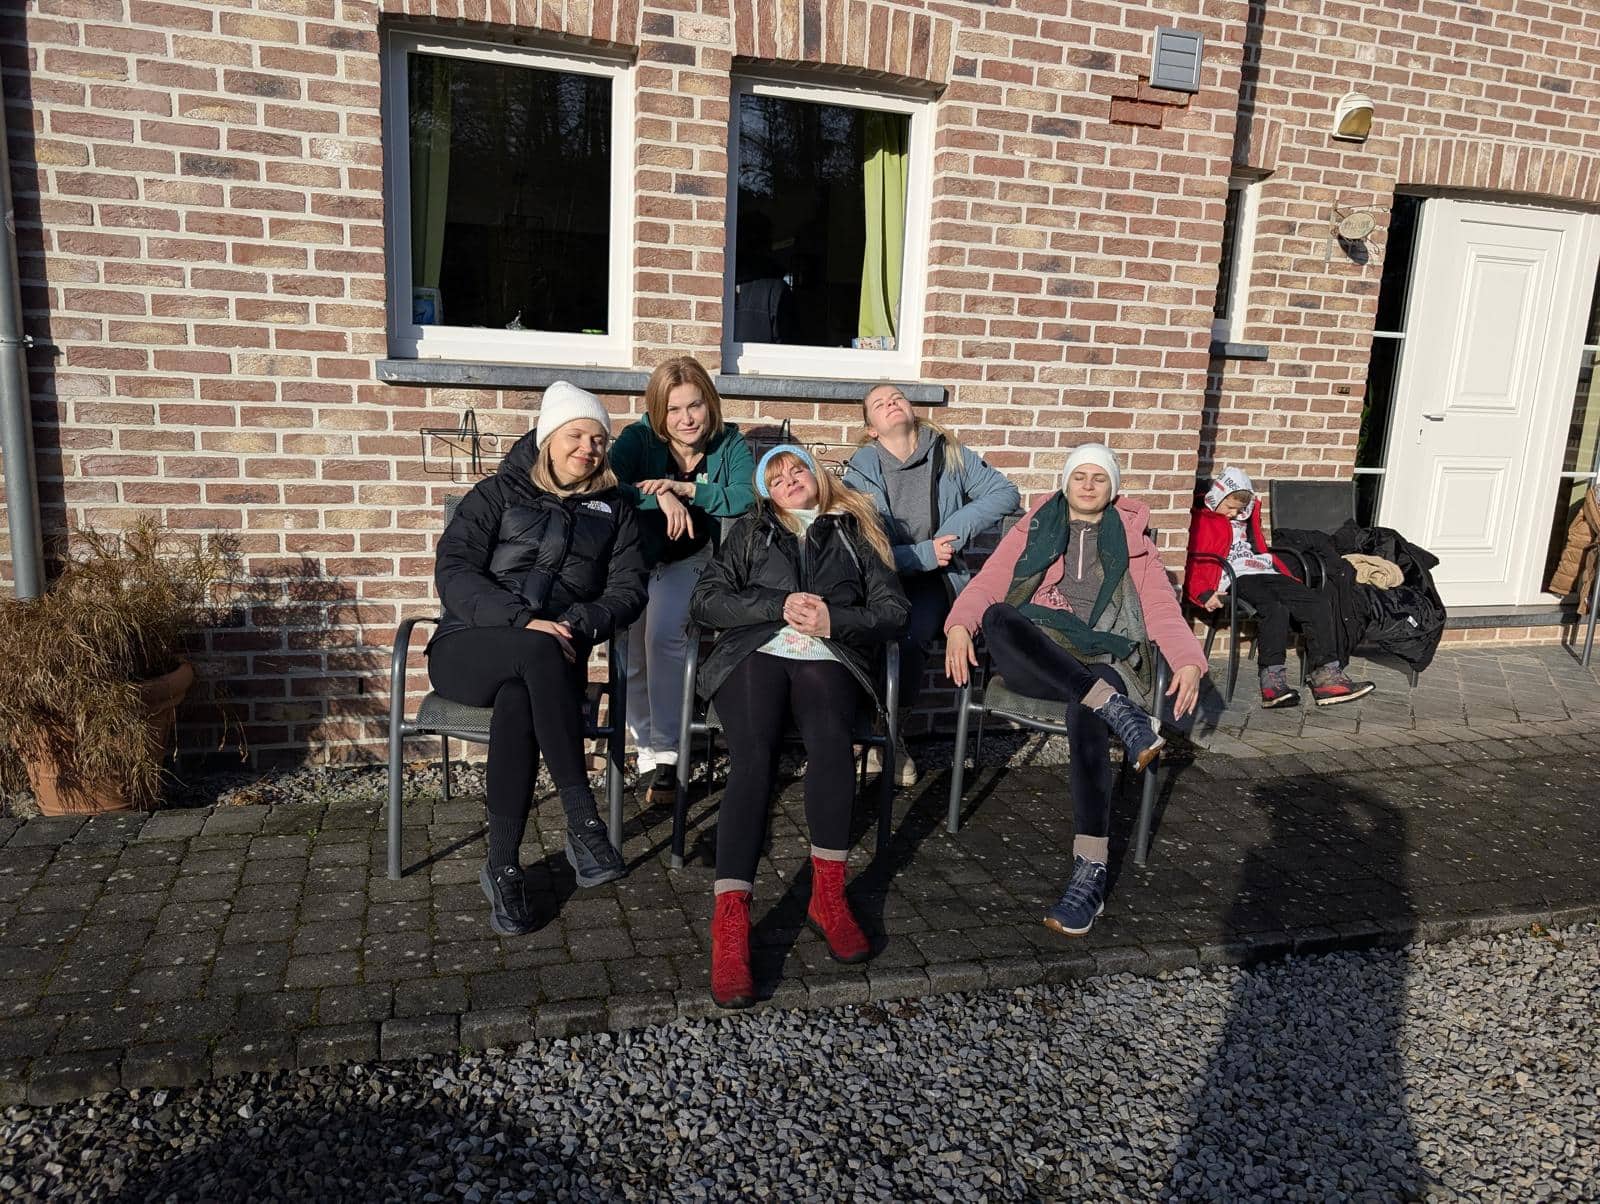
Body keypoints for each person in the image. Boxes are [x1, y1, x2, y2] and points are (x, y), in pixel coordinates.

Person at [944, 444, 1207, 938]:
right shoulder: (1033, 528)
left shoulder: (1135, 543)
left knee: (1088, 709)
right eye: (1079, 476)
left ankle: (1090, 872)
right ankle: (1117, 710)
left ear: (1113, 488)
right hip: (1037, 658)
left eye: (1099, 478)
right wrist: (960, 625)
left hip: (1104, 656)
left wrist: (1189, 660)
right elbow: (989, 584)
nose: (1088, 485)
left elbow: (1160, 609)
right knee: (999, 615)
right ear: (1065, 482)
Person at [688, 446, 909, 1009]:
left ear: (816, 474)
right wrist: (776, 604)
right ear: (766, 492)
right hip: (755, 652)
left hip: (828, 655)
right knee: (753, 757)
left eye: (797, 468)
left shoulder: (856, 532)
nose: (789, 479)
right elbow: (706, 601)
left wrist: (836, 619)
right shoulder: (752, 530)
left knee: (833, 745)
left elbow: (894, 612)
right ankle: (731, 921)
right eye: (776, 477)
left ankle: (827, 896)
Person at [428, 382, 647, 937]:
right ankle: (584, 823)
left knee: (518, 703)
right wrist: (521, 619)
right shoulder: (496, 494)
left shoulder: (615, 510)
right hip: (469, 647)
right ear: (549, 437)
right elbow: (454, 571)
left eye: (599, 440)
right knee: (534, 650)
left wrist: (579, 621)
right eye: (576, 435)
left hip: (555, 654)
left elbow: (628, 590)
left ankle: (502, 867)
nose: (588, 448)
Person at [844, 384, 1019, 785]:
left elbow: (1004, 493)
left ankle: (890, 736)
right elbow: (865, 546)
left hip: (934, 579)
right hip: (881, 574)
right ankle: (857, 732)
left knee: (910, 633)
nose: (891, 403)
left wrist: (953, 533)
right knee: (855, 629)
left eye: (897, 398)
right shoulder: (861, 469)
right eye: (879, 404)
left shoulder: (949, 453)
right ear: (871, 429)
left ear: (911, 409)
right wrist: (921, 553)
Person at [610, 358, 755, 809]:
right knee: (630, 647)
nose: (686, 419)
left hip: (691, 557)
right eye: (673, 409)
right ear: (659, 411)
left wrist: (689, 491)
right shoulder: (638, 439)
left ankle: (669, 753)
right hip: (635, 559)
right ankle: (646, 753)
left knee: (663, 636)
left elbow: (746, 495)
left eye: (695, 406)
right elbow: (607, 483)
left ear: (709, 404)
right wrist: (660, 496)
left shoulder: (729, 442)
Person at [1184, 466, 1376, 707]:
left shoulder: (1246, 516)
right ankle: (1272, 683)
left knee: (1316, 602)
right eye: (1229, 507)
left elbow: (1259, 546)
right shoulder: (1203, 519)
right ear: (1218, 496)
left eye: (1239, 509)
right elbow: (1194, 558)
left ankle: (1326, 676)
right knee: (1274, 607)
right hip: (1235, 576)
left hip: (1263, 568)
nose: (1234, 513)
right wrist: (1203, 593)